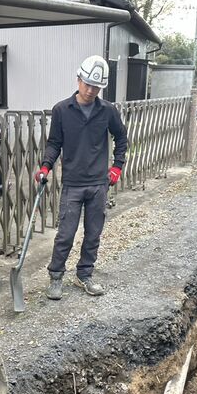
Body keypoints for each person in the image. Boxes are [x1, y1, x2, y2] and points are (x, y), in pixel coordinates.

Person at [35, 55, 128, 300]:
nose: (90, 90)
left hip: (99, 183)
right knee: (65, 233)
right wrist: (45, 167)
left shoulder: (108, 111)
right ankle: (56, 277)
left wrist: (117, 167)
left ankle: (84, 274)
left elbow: (122, 139)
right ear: (78, 79)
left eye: (96, 87)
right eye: (87, 84)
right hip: (73, 184)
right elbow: (54, 143)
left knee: (93, 233)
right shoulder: (62, 110)